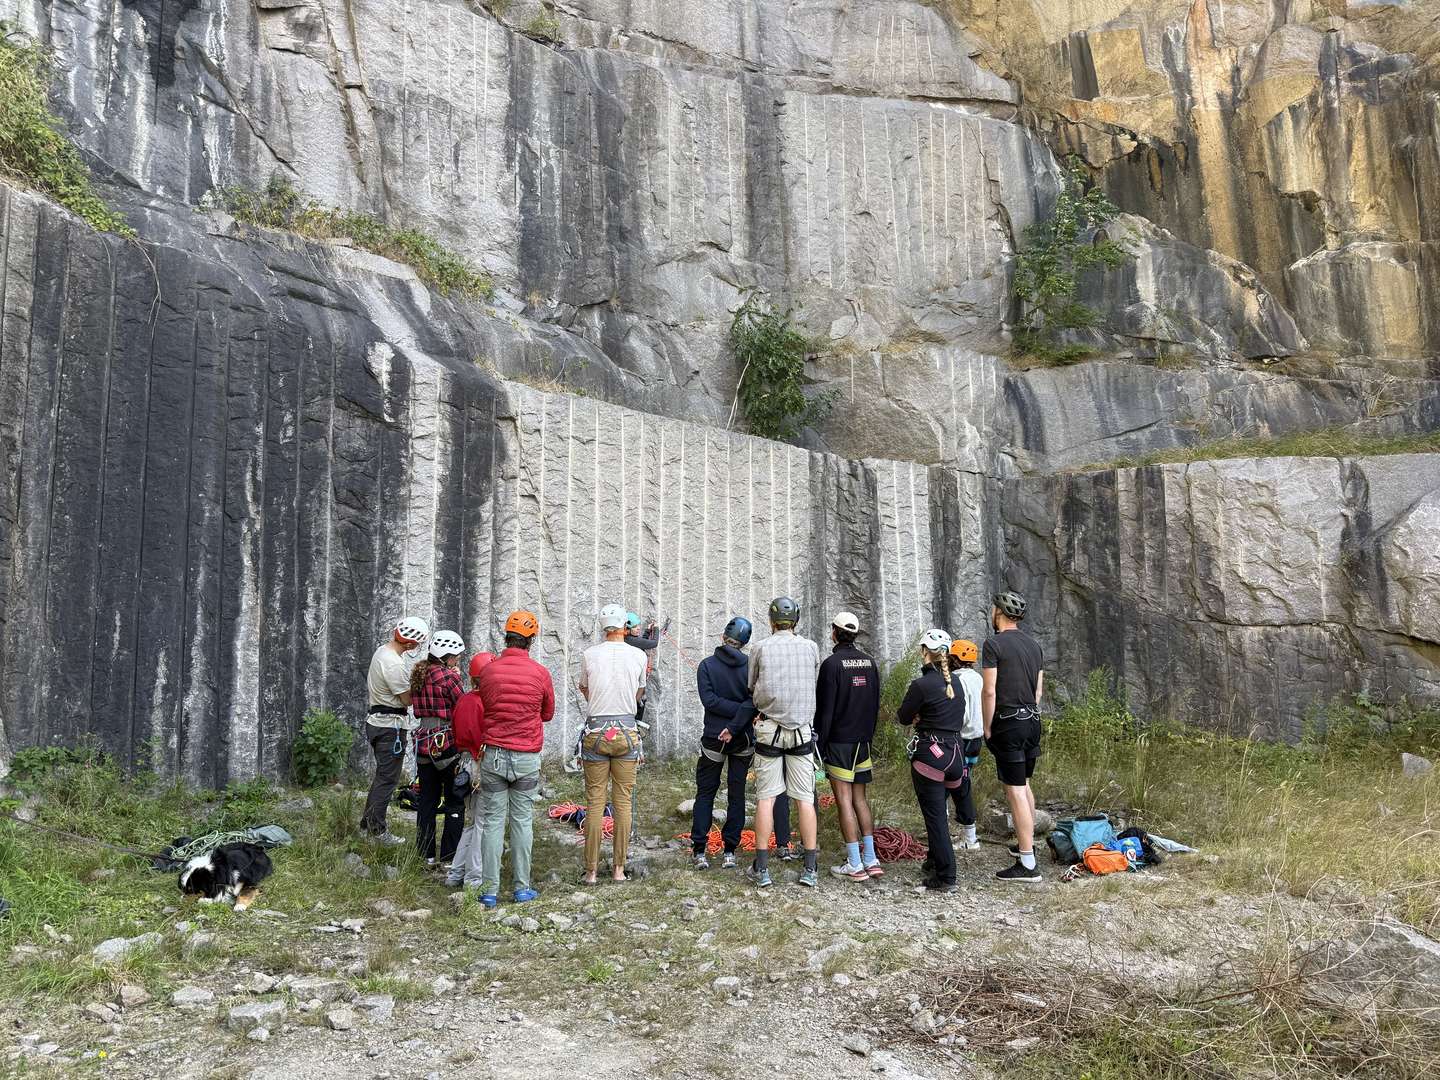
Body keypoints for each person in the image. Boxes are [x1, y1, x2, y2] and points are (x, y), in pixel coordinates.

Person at [474, 610, 555, 908]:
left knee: (493, 822)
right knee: (522, 821)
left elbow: (486, 705)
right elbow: (547, 713)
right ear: (531, 640)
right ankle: (522, 888)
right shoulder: (540, 673)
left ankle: (489, 891)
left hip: (494, 754)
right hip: (526, 756)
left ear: (506, 636)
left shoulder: (489, 672)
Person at [746, 596, 822, 889]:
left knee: (766, 799)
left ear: (771, 620)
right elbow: (812, 680)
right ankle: (810, 868)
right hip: (802, 731)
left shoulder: (760, 648)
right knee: (804, 799)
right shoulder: (811, 647)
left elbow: (751, 685)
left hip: (770, 729)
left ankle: (762, 869)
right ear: (796, 620)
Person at [895, 629, 970, 892]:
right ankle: (934, 860)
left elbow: (903, 717)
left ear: (925, 651)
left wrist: (919, 717)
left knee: (935, 817)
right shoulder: (956, 682)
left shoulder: (921, 685)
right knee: (940, 812)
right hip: (955, 753)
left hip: (931, 755)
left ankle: (946, 876)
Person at [578, 605, 648, 884]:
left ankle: (591, 871)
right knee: (623, 802)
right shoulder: (639, 655)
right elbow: (639, 691)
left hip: (596, 731)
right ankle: (619, 869)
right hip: (627, 732)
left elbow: (584, 687)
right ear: (624, 626)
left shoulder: (589, 654)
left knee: (595, 802)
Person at [983, 590, 1045, 883]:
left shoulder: (993, 644)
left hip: (1008, 722)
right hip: (1032, 719)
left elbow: (989, 691)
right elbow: (1038, 692)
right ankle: (1027, 844)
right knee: (1025, 784)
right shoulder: (1034, 645)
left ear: (999, 612)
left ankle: (1028, 863)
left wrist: (987, 727)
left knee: (1015, 789)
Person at [815, 612, 883, 881]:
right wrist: (869, 736)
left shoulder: (831, 665)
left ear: (834, 632)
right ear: (854, 634)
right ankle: (871, 859)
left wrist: (820, 744)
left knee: (843, 800)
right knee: (860, 799)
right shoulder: (869, 662)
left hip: (839, 741)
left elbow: (826, 710)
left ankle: (854, 863)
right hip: (863, 740)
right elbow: (875, 703)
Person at [690, 616, 756, 870]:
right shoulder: (751, 667)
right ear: (745, 642)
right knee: (737, 794)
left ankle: (699, 850)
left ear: (722, 637)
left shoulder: (706, 665)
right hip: (743, 738)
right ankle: (729, 850)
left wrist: (728, 723)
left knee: (706, 792)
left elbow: (709, 701)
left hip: (713, 737)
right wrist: (739, 718)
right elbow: (753, 703)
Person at [361, 616, 429, 843]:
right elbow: (407, 699)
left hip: (379, 722)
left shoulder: (382, 652)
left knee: (382, 777)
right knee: (388, 780)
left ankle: (367, 825)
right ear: (409, 644)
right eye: (416, 644)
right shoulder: (394, 664)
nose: (416, 647)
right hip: (390, 727)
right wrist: (421, 681)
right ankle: (377, 831)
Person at [410, 630, 468, 866]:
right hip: (446, 743)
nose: (457, 660)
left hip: (423, 742)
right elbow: (463, 706)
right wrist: (457, 678)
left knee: (427, 800)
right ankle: (449, 856)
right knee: (454, 799)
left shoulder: (419, 674)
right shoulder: (449, 678)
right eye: (455, 656)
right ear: (446, 656)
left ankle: (425, 854)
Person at [446, 651, 495, 890]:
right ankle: (474, 879)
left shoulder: (464, 700)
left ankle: (455, 873)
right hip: (479, 763)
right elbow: (482, 738)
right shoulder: (483, 703)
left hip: (464, 763)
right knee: (483, 823)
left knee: (472, 822)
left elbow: (456, 732)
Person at [949, 639, 985, 852]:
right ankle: (966, 834)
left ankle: (969, 838)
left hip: (960, 739)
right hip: (976, 740)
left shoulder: (957, 680)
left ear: (955, 658)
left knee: (955, 786)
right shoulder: (977, 678)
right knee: (963, 782)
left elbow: (960, 713)